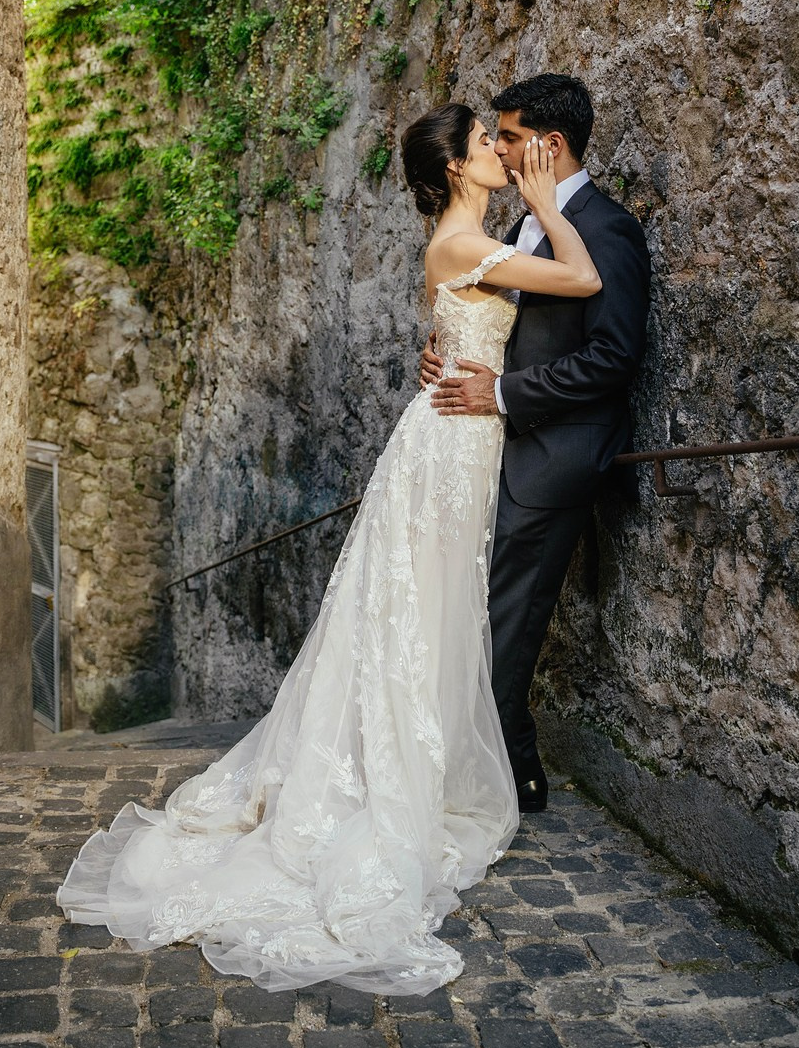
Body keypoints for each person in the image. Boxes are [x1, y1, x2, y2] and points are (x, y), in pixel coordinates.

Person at [58, 104, 602, 996]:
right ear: (460, 172)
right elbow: (579, 276)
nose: (501, 157)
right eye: (485, 148)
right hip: (445, 453)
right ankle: (381, 785)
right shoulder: (464, 243)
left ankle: (413, 763)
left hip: (458, 438)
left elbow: (454, 339)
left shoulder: (466, 239)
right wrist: (548, 203)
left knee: (427, 614)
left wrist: (452, 355)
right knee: (416, 616)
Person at [421, 75, 651, 815]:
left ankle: (499, 785)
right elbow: (495, 322)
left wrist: (502, 394)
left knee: (504, 623)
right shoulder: (516, 227)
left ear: (550, 145)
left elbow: (612, 358)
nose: (502, 147)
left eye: (510, 136)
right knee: (486, 619)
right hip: (501, 445)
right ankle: (513, 775)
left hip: (554, 452)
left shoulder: (606, 227)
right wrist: (448, 358)